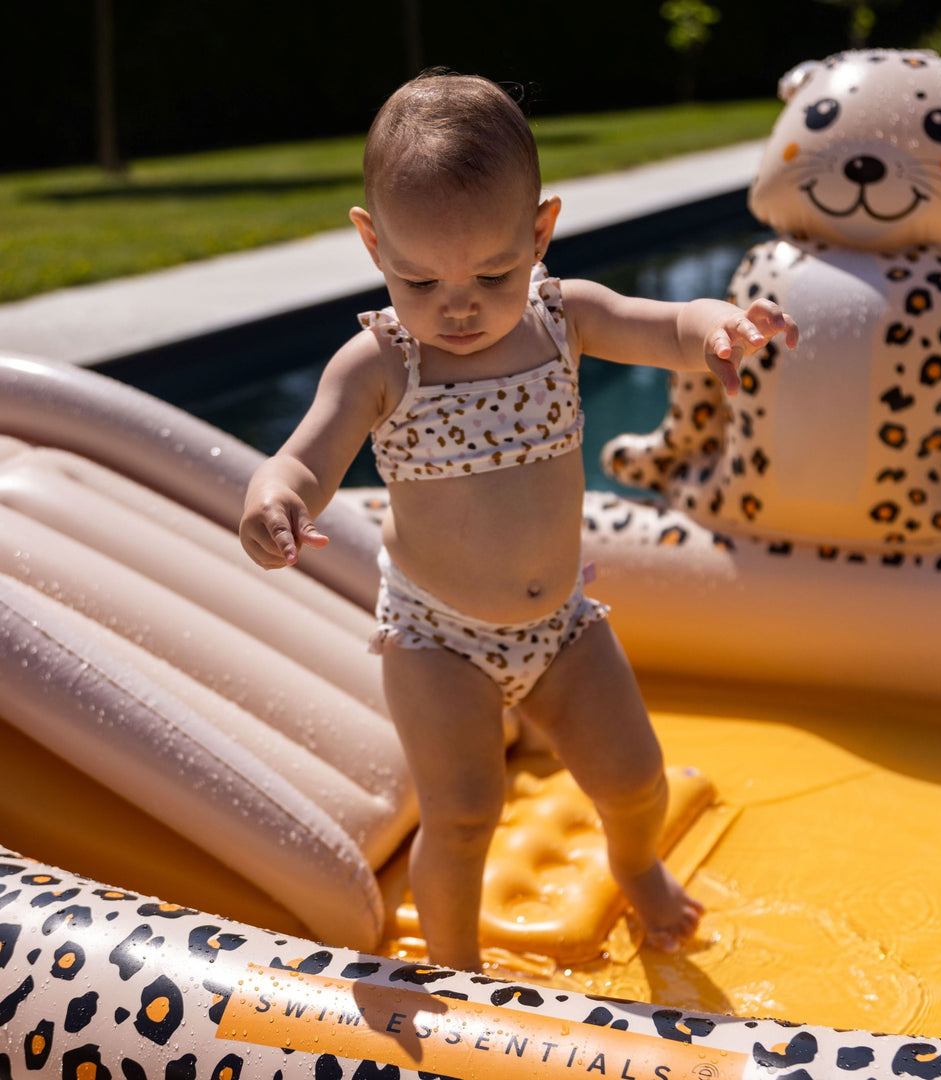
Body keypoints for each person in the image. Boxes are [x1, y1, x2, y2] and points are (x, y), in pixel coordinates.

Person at [240, 70, 798, 973]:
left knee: (636, 779)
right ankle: (456, 973)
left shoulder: (561, 318)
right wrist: (275, 502)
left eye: (494, 271)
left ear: (540, 233)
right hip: (437, 638)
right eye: (419, 278)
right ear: (372, 243)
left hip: (560, 626)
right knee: (461, 816)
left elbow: (663, 326)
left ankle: (636, 864)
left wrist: (719, 326)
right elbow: (303, 457)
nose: (458, 305)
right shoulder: (382, 362)